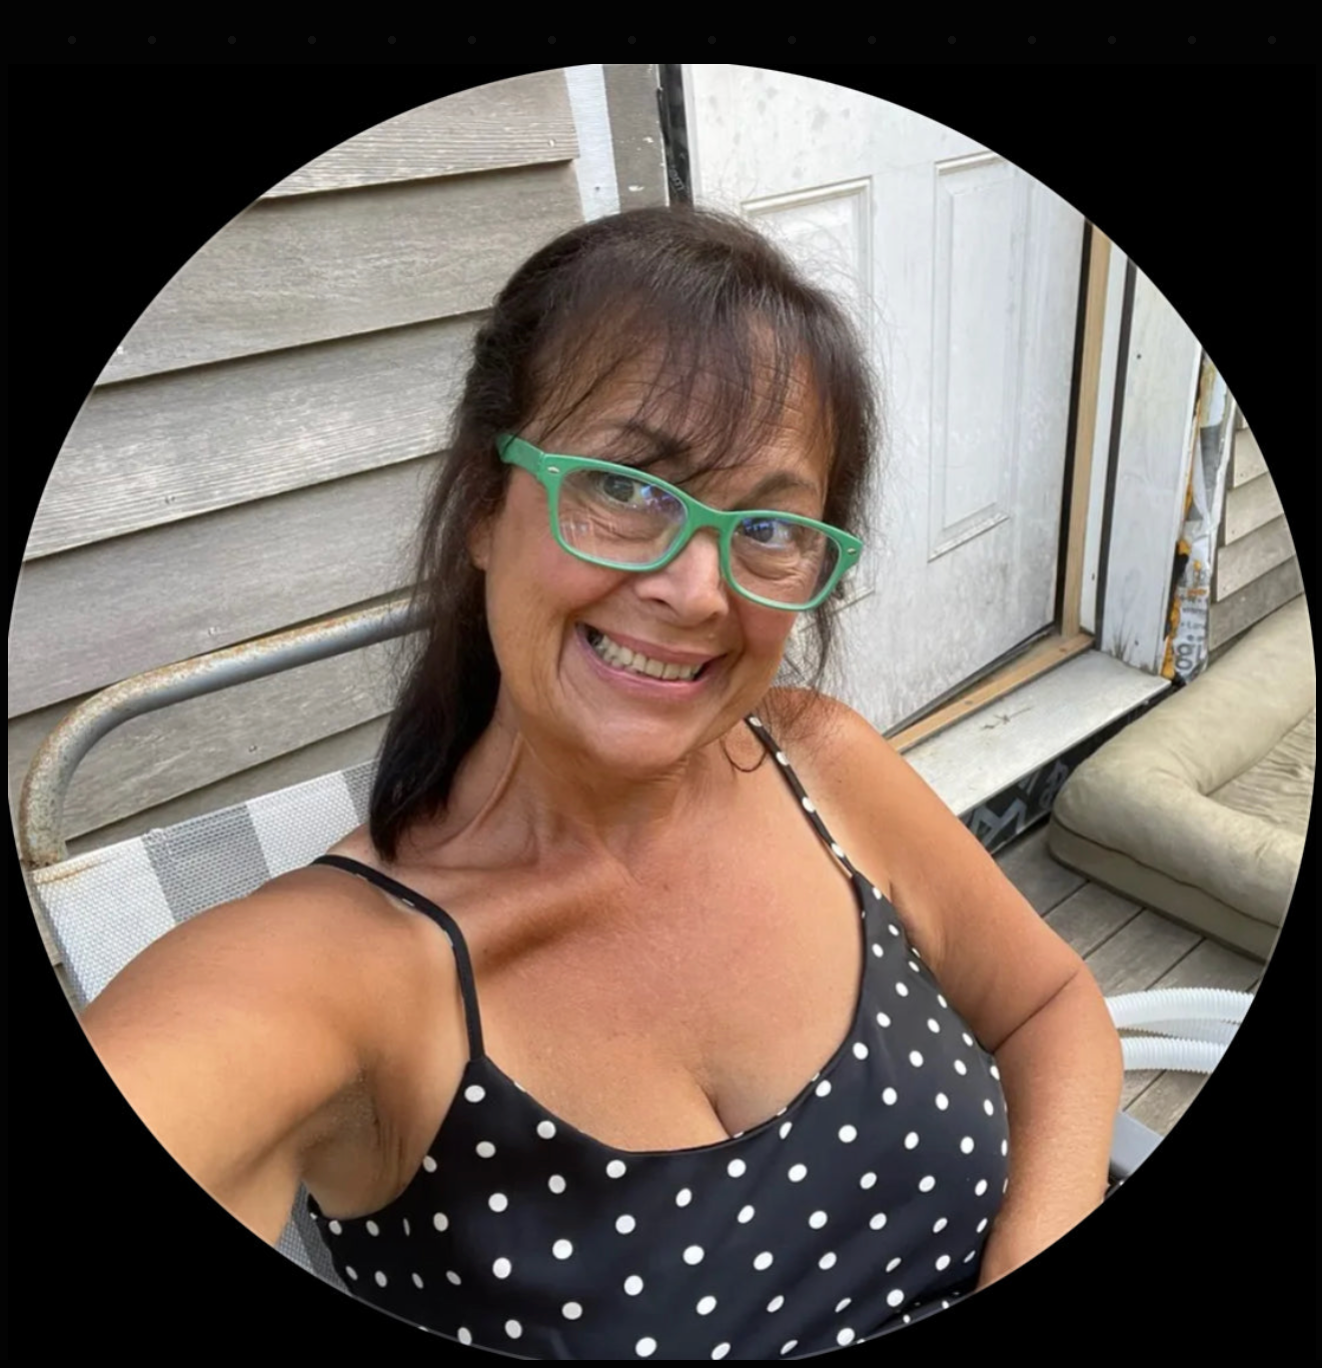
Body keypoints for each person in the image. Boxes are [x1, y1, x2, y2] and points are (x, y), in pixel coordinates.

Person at [80, 206, 1123, 1359]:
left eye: (767, 525)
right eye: (626, 487)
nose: (696, 589)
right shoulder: (348, 979)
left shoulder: (815, 761)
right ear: (484, 505)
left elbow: (1050, 1008)